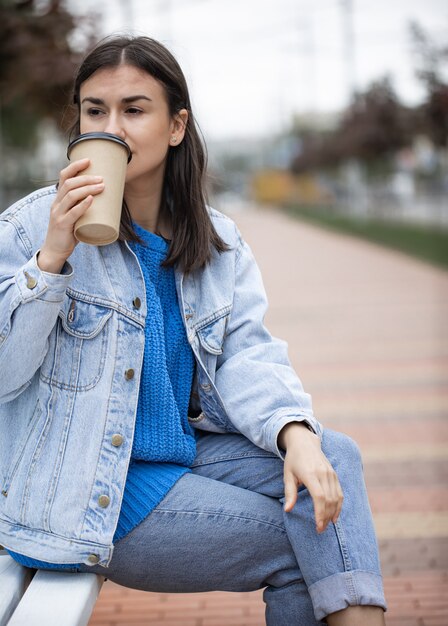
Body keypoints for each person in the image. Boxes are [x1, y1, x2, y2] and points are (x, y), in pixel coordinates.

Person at [0, 35, 386, 625]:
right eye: (95, 111)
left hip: (180, 456)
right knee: (309, 540)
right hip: (90, 490)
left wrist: (294, 432)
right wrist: (52, 259)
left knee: (334, 452)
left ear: (177, 125)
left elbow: (247, 354)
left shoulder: (217, 241)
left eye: (134, 109)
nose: (112, 127)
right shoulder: (33, 226)